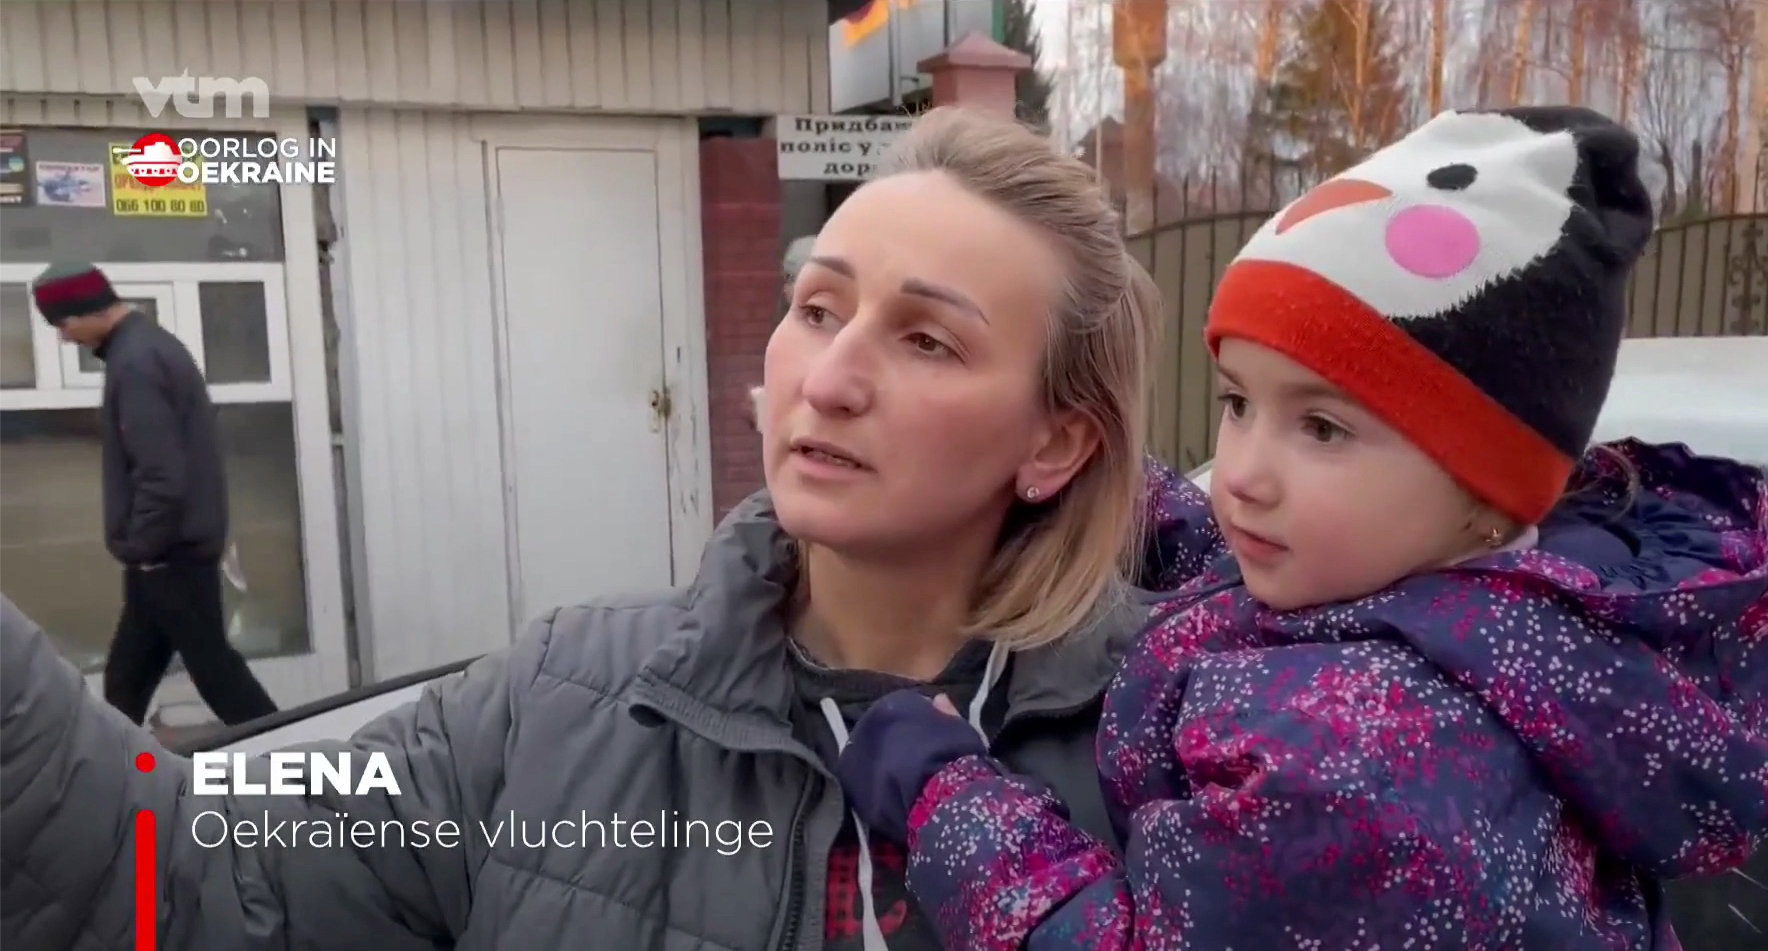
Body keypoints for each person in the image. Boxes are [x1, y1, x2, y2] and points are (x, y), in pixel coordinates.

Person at [2, 106, 1172, 951]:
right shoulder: (558, 698)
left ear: (1054, 443)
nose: (829, 379)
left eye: (926, 340)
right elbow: (189, 882)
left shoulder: (1199, 743)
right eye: (817, 308)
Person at [833, 106, 1768, 950]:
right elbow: (1239, 583)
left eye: (1322, 427)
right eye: (1239, 403)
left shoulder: (1369, 763)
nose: (1241, 473)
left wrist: (941, 791)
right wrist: (1069, 465)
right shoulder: (1479, 613)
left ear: (1488, 485)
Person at [28, 262, 278, 727]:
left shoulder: (138, 361)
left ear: (88, 310)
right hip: (164, 554)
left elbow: (161, 473)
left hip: (168, 555)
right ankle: (116, 776)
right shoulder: (143, 348)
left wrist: (143, 547)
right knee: (127, 678)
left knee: (216, 672)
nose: (64, 338)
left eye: (63, 325)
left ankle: (302, 766)